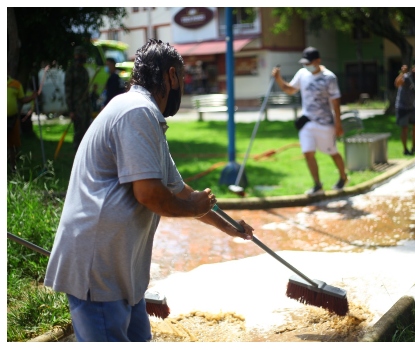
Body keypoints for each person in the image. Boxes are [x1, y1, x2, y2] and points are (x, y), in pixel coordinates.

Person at [44, 39, 254, 342]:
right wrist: (195, 207)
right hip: (99, 269)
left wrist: (229, 227)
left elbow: (179, 190)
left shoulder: (145, 116)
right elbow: (151, 195)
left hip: (121, 270)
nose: (181, 85)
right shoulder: (136, 112)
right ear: (170, 76)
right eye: (181, 78)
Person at [272, 46, 348, 195]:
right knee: (308, 153)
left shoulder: (329, 77)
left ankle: (343, 177)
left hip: (325, 123)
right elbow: (290, 89)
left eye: (309, 63)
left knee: (333, 152)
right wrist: (278, 78)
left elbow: (336, 102)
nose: (307, 66)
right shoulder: (302, 74)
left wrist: (338, 124)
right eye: (305, 63)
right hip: (307, 121)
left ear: (318, 61)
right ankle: (317, 184)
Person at [394, 63, 415, 155]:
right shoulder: (407, 77)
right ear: (414, 70)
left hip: (413, 106)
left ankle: (414, 146)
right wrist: (402, 73)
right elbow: (397, 83)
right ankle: (405, 150)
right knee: (404, 128)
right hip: (402, 106)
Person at [7, 74, 38, 171]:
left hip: (12, 119)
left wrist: (32, 97)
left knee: (13, 145)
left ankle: (13, 168)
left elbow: (22, 99)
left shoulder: (16, 84)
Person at [64, 45, 92, 151]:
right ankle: (77, 153)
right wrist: (71, 110)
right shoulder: (71, 71)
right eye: (82, 55)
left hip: (85, 106)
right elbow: (68, 91)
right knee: (78, 132)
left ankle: (86, 152)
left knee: (86, 130)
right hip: (77, 106)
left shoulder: (84, 71)